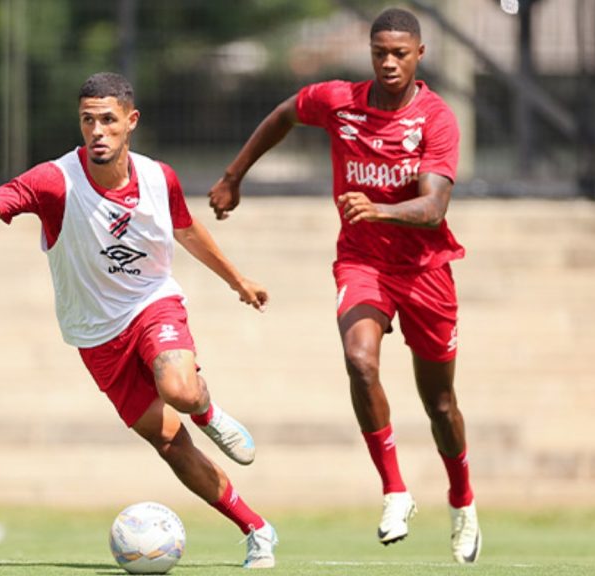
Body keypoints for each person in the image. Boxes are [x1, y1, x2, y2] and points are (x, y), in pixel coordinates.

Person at [0, 72, 278, 569]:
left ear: (130, 122)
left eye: (107, 121)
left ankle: (210, 413)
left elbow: (186, 230)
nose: (97, 131)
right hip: (96, 337)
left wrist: (237, 280)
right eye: (87, 121)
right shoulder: (54, 181)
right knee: (168, 442)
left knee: (181, 390)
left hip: (151, 303)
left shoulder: (160, 177)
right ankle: (257, 529)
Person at [208, 7, 480, 564]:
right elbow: (284, 114)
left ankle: (462, 501)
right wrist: (235, 175)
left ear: (419, 55)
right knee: (360, 361)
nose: (388, 62)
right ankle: (395, 491)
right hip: (362, 264)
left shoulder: (435, 119)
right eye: (380, 52)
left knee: (441, 403)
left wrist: (378, 210)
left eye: (400, 53)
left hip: (427, 273)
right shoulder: (338, 101)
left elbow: (433, 208)